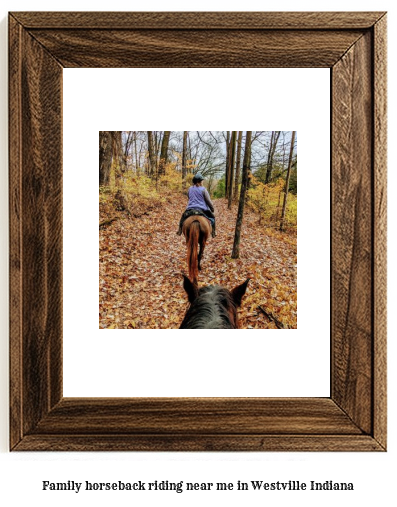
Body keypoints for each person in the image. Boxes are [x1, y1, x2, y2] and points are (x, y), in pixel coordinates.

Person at [177, 172, 216, 237]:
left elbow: (189, 197)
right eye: (202, 181)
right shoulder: (203, 189)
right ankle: (213, 233)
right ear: (199, 182)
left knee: (182, 218)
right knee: (213, 218)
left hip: (190, 209)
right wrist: (212, 209)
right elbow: (208, 201)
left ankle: (179, 230)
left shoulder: (190, 189)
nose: (202, 182)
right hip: (202, 209)